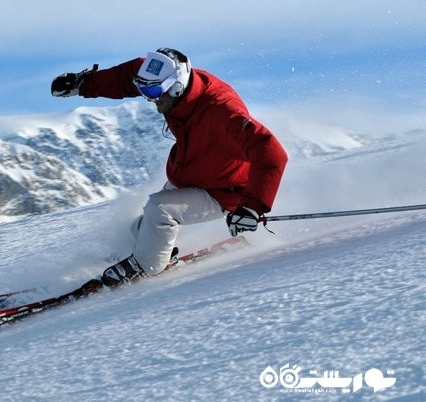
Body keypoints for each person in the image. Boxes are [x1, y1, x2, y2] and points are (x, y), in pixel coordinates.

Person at [51, 48, 288, 287]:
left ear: (176, 87)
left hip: (226, 190)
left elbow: (271, 152)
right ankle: (149, 250)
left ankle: (146, 267)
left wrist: (252, 207)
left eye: (153, 91)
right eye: (143, 90)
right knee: (145, 224)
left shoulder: (222, 112)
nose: (149, 98)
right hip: (192, 173)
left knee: (161, 209)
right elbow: (126, 77)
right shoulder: (171, 83)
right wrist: (84, 84)